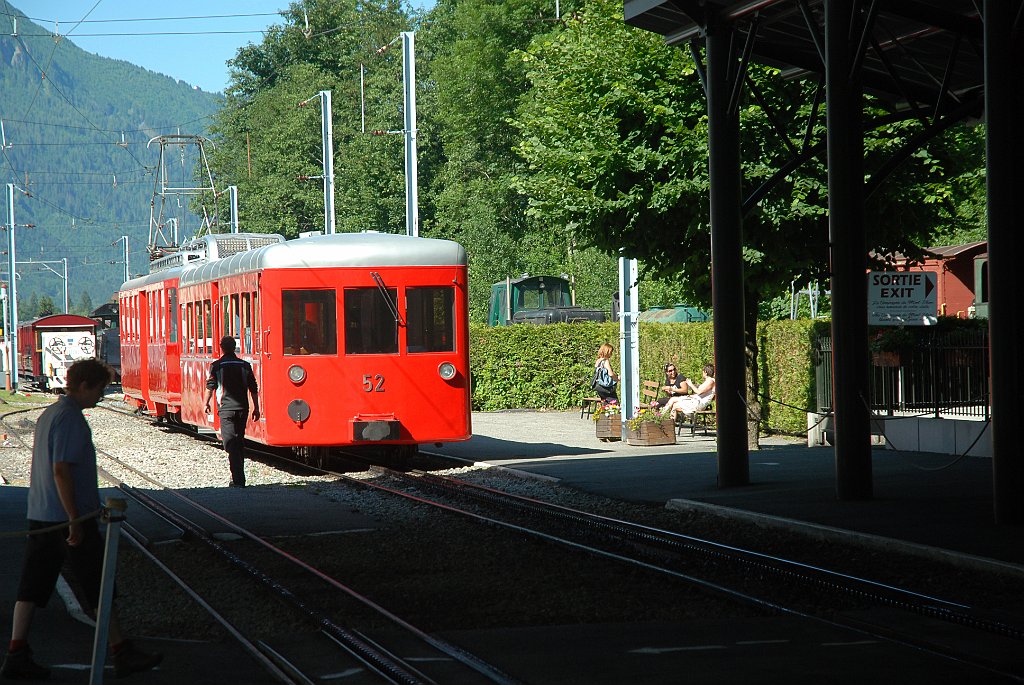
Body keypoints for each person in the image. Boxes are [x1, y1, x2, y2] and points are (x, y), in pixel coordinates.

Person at [1, 359, 162, 680]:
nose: (101, 397)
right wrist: (75, 518)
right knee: (97, 583)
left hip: (44, 513)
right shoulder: (70, 418)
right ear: (86, 385)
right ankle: (120, 651)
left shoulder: (50, 413)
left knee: (33, 585)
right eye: (100, 390)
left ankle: (17, 652)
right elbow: (62, 469)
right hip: (67, 518)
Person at [204, 336, 260, 488]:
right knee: (239, 441)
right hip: (242, 408)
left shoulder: (217, 366)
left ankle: (238, 479)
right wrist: (257, 408)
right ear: (234, 347)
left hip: (226, 409)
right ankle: (238, 477)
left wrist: (206, 403)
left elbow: (211, 386)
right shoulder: (245, 365)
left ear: (221, 348)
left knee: (230, 443)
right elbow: (253, 388)